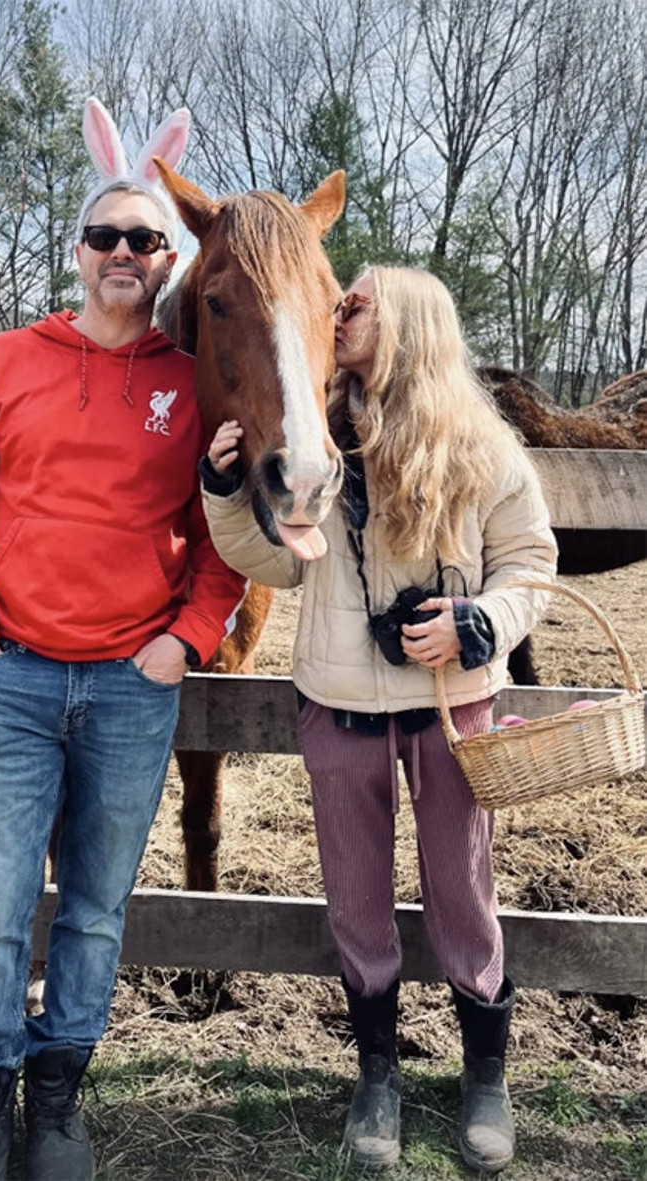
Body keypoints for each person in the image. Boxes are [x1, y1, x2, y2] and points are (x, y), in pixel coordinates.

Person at [0, 103, 248, 1181]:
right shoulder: (1, 363)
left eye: (144, 240)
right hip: (11, 675)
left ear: (166, 261)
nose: (122, 254)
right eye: (106, 235)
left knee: (98, 905)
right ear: (78, 249)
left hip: (129, 684)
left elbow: (221, 533)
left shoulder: (186, 386)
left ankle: (57, 1099)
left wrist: (187, 637)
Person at [200, 265, 558, 1174]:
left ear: (408, 322)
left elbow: (530, 561)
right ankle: (378, 1078)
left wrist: (483, 622)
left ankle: (486, 1076)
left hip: (451, 707)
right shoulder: (313, 431)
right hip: (342, 708)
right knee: (356, 900)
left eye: (354, 300)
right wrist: (219, 489)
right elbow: (268, 561)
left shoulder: (482, 444)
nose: (337, 308)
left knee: (465, 895)